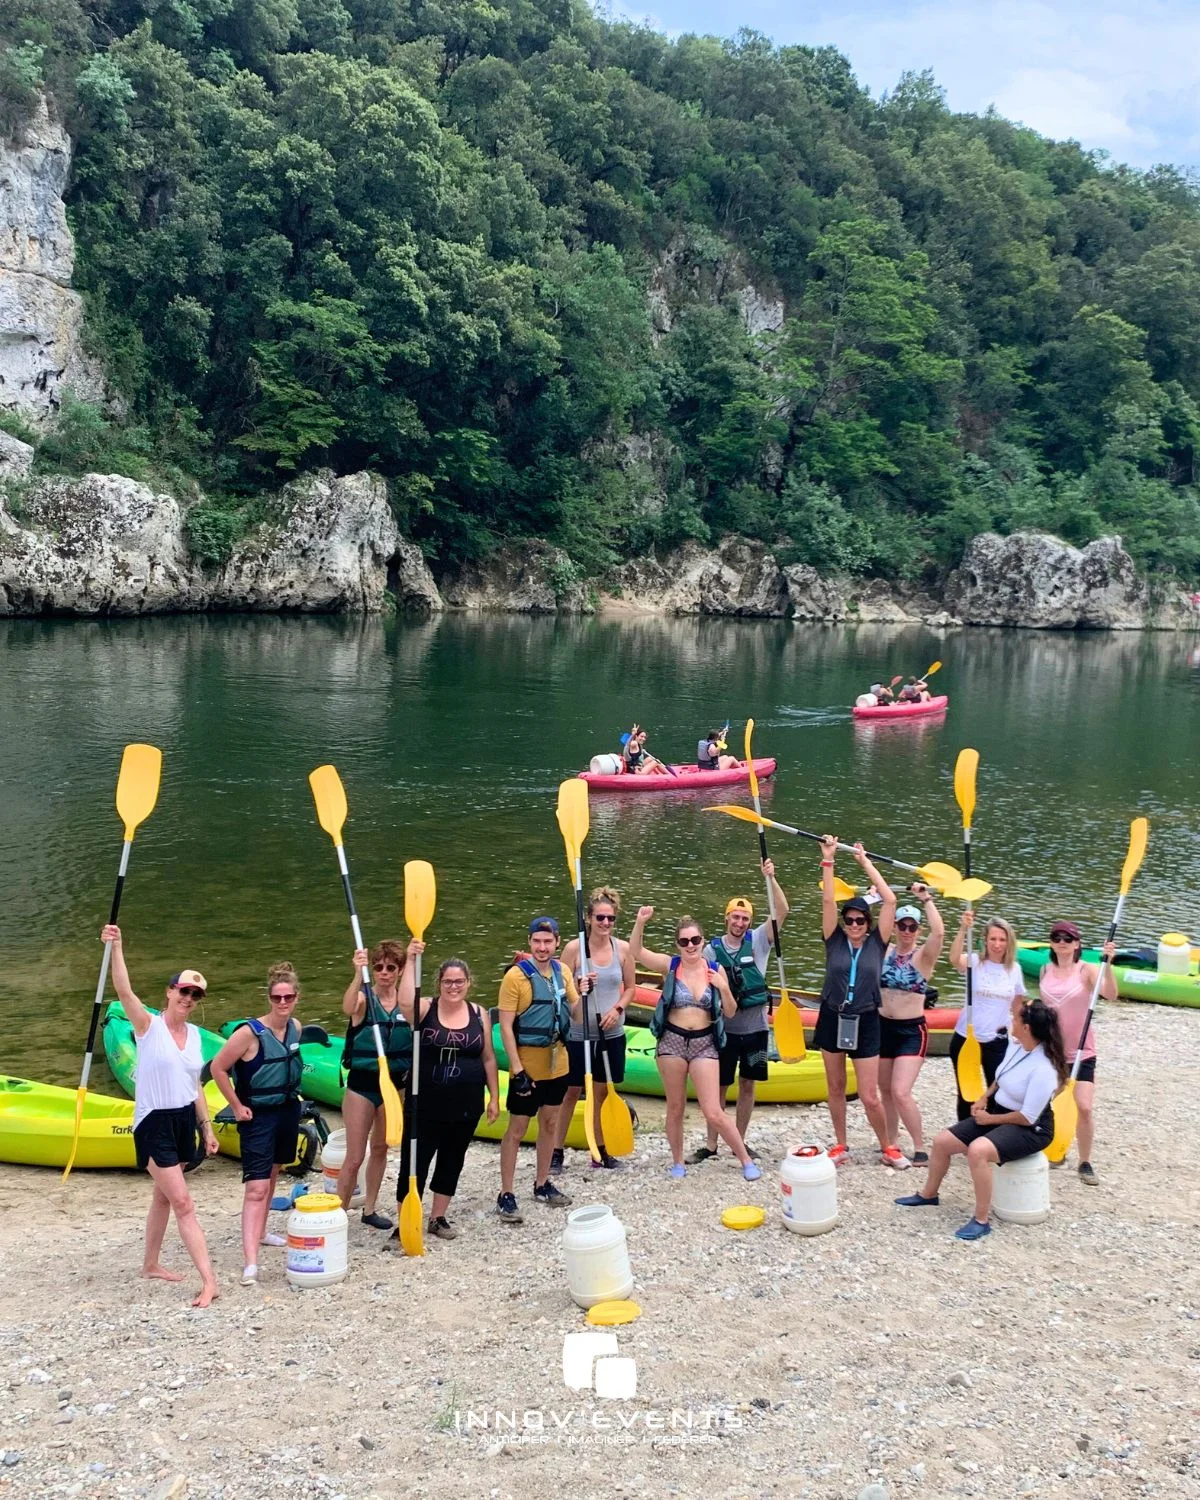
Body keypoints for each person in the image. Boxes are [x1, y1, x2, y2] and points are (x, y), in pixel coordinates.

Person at [101, 924, 219, 1307]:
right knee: (183, 1202)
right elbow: (123, 991)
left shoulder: (197, 1036)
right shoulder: (147, 1027)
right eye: (183, 991)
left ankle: (150, 1264)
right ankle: (209, 1281)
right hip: (153, 1122)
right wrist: (117, 946)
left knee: (163, 1197)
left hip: (185, 1119)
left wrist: (206, 1126)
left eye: (195, 995)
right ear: (170, 992)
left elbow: (195, 1085)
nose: (188, 998)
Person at [895, 997, 1069, 1240]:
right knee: (942, 1141)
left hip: (1032, 1128)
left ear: (1027, 1027)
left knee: (978, 1151)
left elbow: (1028, 1117)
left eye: (1016, 1018)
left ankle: (981, 1219)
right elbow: (1001, 1077)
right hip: (999, 1112)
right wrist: (984, 1097)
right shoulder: (1016, 1045)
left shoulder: (1044, 1069)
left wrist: (990, 1121)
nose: (1011, 1020)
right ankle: (928, 1195)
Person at [630, 906, 761, 1181]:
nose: (690, 946)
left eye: (695, 940)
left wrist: (723, 987)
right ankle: (678, 1161)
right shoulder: (671, 965)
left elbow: (730, 1011)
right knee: (675, 1106)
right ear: (678, 944)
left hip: (704, 1045)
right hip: (672, 1043)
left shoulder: (715, 969)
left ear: (702, 941)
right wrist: (640, 922)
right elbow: (637, 952)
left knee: (713, 1110)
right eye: (684, 941)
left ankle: (745, 1159)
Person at [393, 950, 500, 1240]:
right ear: (439, 983)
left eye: (459, 981)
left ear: (468, 983)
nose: (453, 987)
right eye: (448, 982)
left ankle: (438, 1217)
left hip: (465, 1106)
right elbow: (403, 1001)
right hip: (424, 1105)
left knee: (452, 1160)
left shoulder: (479, 1014)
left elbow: (488, 1058)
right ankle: (405, 1221)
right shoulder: (425, 1009)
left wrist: (494, 1097)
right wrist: (412, 959)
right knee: (414, 1163)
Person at [210, 962, 305, 1285]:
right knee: (256, 1187)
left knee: (276, 1170)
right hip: (257, 1115)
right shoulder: (249, 1034)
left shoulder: (297, 1028)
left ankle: (263, 1231)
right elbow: (218, 1068)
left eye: (288, 997)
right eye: (277, 997)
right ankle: (251, 1262)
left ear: (296, 997)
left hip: (287, 1111)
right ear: (269, 998)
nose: (282, 1003)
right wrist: (236, 1106)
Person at [816, 837, 907, 1168]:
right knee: (836, 1086)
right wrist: (828, 861)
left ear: (868, 924)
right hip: (832, 1014)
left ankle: (888, 1146)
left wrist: (863, 860)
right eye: (850, 920)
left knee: (869, 1095)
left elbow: (891, 899)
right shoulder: (834, 939)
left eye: (860, 920)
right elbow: (828, 901)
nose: (854, 925)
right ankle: (841, 1144)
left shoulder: (878, 942)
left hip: (866, 1018)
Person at [691, 862, 789, 1164]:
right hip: (724, 1031)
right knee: (718, 1087)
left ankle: (740, 1142)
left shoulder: (759, 940)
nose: (741, 922)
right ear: (726, 918)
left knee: (748, 1084)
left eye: (745, 918)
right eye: (736, 916)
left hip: (756, 1029)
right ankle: (711, 1144)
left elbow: (782, 910)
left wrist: (770, 878)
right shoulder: (710, 950)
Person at [495, 917, 588, 1221]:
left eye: (548, 942)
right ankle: (506, 1193)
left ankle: (542, 1182)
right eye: (537, 941)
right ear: (530, 942)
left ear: (557, 942)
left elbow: (576, 1015)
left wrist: (584, 994)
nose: (542, 947)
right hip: (528, 1068)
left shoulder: (563, 972)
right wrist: (517, 1069)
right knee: (517, 1130)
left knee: (550, 1125)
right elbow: (506, 1027)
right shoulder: (515, 977)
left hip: (558, 1065)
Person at [550, 887, 634, 1175]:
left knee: (601, 1094)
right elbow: (559, 988)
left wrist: (618, 1009)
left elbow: (631, 989)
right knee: (571, 1092)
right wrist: (579, 987)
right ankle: (555, 1152)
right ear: (588, 918)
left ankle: (600, 1151)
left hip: (611, 1033)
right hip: (578, 1032)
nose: (606, 924)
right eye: (600, 918)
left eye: (611, 919)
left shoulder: (622, 950)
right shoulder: (575, 949)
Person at [337, 940, 412, 1230]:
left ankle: (369, 1208)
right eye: (378, 967)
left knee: (380, 1148)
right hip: (362, 1086)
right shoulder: (364, 1000)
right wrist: (358, 972)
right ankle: (339, 1216)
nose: (384, 972)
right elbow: (346, 1006)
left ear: (399, 971)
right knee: (355, 1157)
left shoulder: (407, 1004)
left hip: (395, 1087)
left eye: (390, 967)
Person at [1035, 921, 1116, 1185]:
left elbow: (1111, 995)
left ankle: (1085, 1161)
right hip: (1051, 1051)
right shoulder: (1045, 969)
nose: (1062, 942)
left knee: (1084, 1106)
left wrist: (1109, 965)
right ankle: (1054, 1150)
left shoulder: (1087, 970)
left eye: (1068, 939)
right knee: (1047, 1104)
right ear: (1051, 942)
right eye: (1057, 937)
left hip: (1082, 1052)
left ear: (1077, 944)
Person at [878, 885, 944, 1166]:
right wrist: (876, 896)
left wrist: (926, 899)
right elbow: (868, 927)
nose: (906, 930)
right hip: (882, 1027)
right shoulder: (884, 950)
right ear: (895, 927)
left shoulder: (923, 957)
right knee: (885, 1091)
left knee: (901, 1092)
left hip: (911, 1030)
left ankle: (919, 1147)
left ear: (917, 930)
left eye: (912, 926)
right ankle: (891, 1144)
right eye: (902, 926)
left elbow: (939, 932)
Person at [947, 913, 1026, 1119]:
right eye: (993, 939)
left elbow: (1018, 1006)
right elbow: (954, 958)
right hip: (966, 1037)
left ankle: (991, 1137)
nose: (997, 944)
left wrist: (1022, 1036)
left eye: (1002, 939)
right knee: (966, 1092)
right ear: (985, 940)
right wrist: (963, 929)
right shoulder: (974, 962)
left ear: (1009, 942)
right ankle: (963, 1136)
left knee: (998, 1091)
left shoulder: (1015, 969)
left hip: (997, 1040)